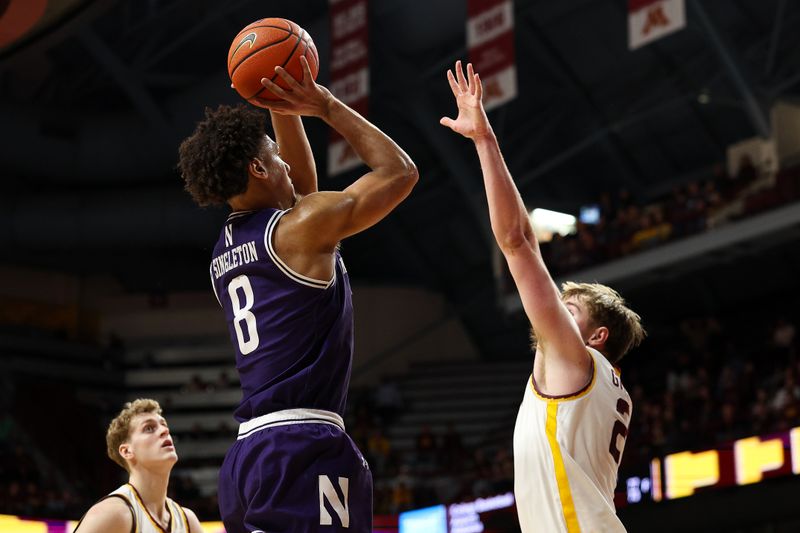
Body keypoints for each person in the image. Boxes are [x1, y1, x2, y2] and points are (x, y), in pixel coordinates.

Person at [177, 56, 417, 533]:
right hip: (300, 444)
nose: (285, 160)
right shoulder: (299, 230)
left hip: (247, 456)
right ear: (257, 169)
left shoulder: (225, 253)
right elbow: (399, 173)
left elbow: (298, 191)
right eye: (274, 155)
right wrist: (324, 105)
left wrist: (280, 104)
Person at [441, 61, 645, 533]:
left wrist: (484, 140)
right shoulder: (605, 388)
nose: (552, 310)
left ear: (597, 336)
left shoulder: (577, 363)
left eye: (568, 309)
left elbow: (517, 241)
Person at [73, 399, 204, 533]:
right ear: (127, 451)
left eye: (164, 425)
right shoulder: (113, 513)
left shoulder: (188, 521)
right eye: (149, 428)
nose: (164, 431)